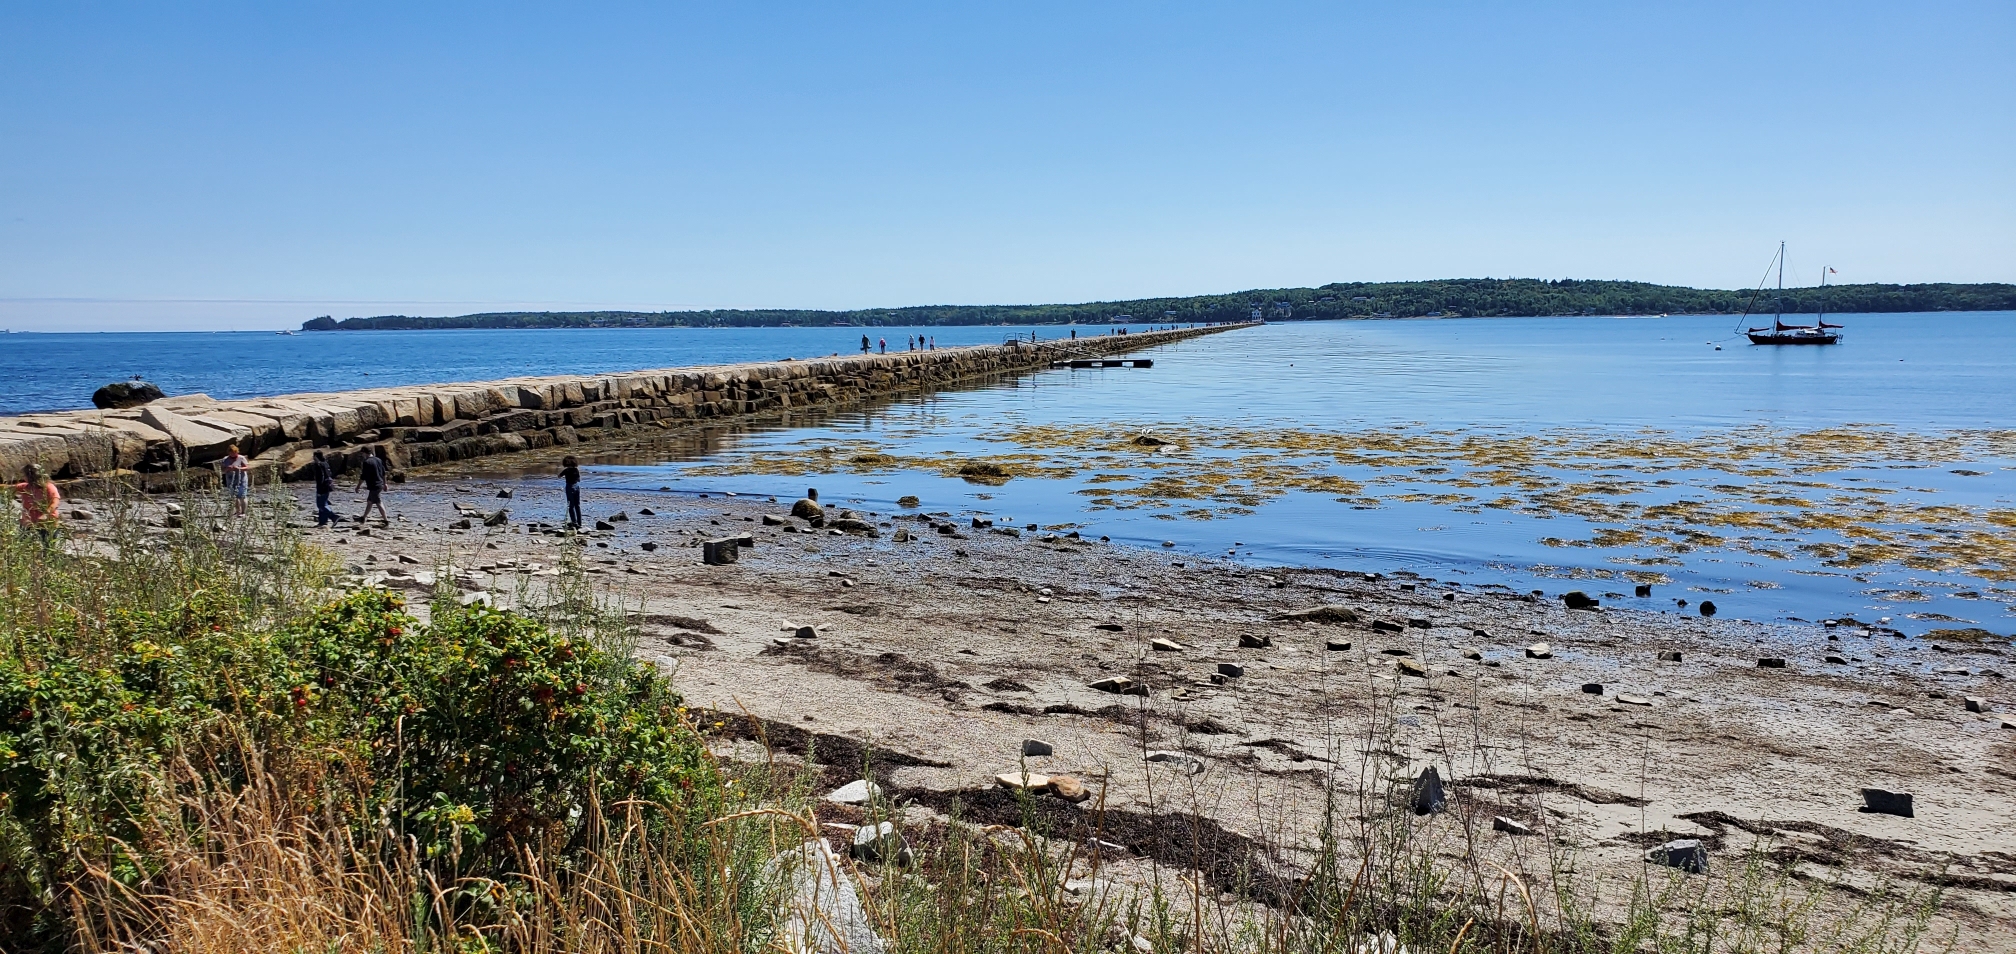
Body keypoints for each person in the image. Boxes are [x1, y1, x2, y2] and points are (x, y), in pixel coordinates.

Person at [14, 463, 60, 547]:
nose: (23, 477)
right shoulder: (25, 487)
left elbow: (55, 502)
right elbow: (8, 489)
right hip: (28, 523)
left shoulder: (48, 487)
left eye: (24, 475)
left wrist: (45, 514)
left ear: (31, 476)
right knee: (23, 546)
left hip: (47, 524)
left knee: (48, 547)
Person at [353, 446, 389, 525]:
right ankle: (363, 518)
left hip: (374, 485)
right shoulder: (378, 460)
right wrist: (385, 483)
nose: (362, 455)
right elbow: (383, 473)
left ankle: (386, 520)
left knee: (378, 502)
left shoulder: (367, 462)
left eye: (362, 453)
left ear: (365, 453)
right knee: (369, 501)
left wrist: (358, 486)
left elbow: (363, 476)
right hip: (379, 484)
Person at [310, 450, 340, 526]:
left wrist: (319, 489)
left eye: (314, 456)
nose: (313, 458)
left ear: (316, 457)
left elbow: (320, 478)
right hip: (328, 486)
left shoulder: (319, 465)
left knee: (320, 505)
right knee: (324, 503)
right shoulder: (326, 463)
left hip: (322, 487)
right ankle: (322, 521)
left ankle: (334, 517)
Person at [220, 445, 252, 515]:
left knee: (242, 496)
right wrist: (227, 469)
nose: (233, 454)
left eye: (234, 452)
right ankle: (237, 511)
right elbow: (222, 470)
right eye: (231, 452)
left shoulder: (241, 458)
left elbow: (247, 468)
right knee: (234, 496)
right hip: (230, 480)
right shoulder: (225, 459)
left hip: (241, 480)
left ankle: (243, 512)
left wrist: (238, 468)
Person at [560, 455, 583, 529]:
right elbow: (579, 479)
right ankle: (579, 523)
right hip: (577, 486)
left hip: (570, 487)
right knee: (577, 506)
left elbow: (559, 476)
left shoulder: (566, 470)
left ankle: (574, 522)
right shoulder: (576, 470)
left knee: (571, 506)